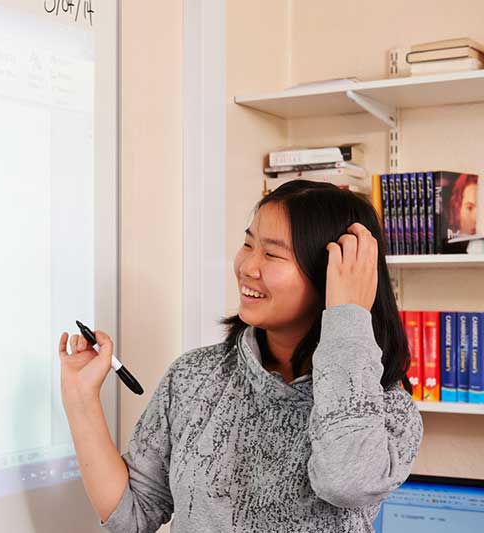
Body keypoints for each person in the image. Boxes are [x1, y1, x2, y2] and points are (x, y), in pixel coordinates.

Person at [58, 179, 423, 532]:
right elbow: (132, 515)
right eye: (248, 244)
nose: (248, 266)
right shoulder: (194, 377)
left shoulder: (386, 409)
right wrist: (81, 397)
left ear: (330, 275)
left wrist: (346, 317)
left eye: (272, 253)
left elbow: (346, 482)